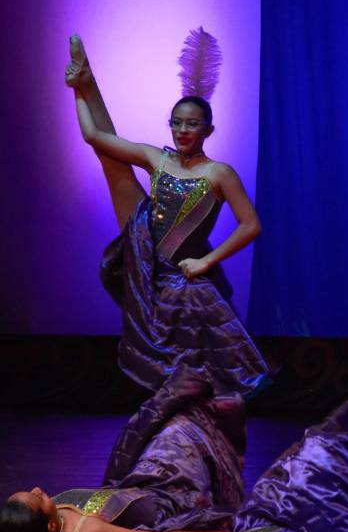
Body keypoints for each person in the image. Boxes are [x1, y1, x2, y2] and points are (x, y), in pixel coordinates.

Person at [64, 33, 274, 398]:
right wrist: (76, 92)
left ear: (208, 129)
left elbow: (251, 225)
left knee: (188, 371)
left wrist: (207, 261)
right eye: (176, 123)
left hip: (181, 277)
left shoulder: (218, 173)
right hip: (146, 251)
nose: (182, 130)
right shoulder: (157, 158)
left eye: (192, 124)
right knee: (112, 163)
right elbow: (93, 135)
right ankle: (87, 78)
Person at [0, 396, 348, 532]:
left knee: (179, 424)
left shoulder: (47, 521)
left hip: (151, 486)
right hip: (166, 506)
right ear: (51, 525)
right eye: (38, 498)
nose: (40, 489)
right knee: (290, 485)